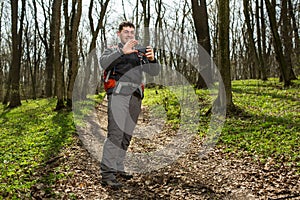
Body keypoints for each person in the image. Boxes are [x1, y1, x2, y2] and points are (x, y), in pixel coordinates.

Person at [99, 21, 160, 189]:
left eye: (132, 32)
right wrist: (121, 51)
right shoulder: (112, 49)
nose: (130, 35)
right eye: (126, 32)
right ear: (119, 34)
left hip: (135, 96)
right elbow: (104, 63)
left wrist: (153, 59)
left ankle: (119, 166)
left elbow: (154, 72)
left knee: (127, 134)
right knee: (116, 133)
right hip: (118, 94)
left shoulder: (139, 53)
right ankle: (107, 174)